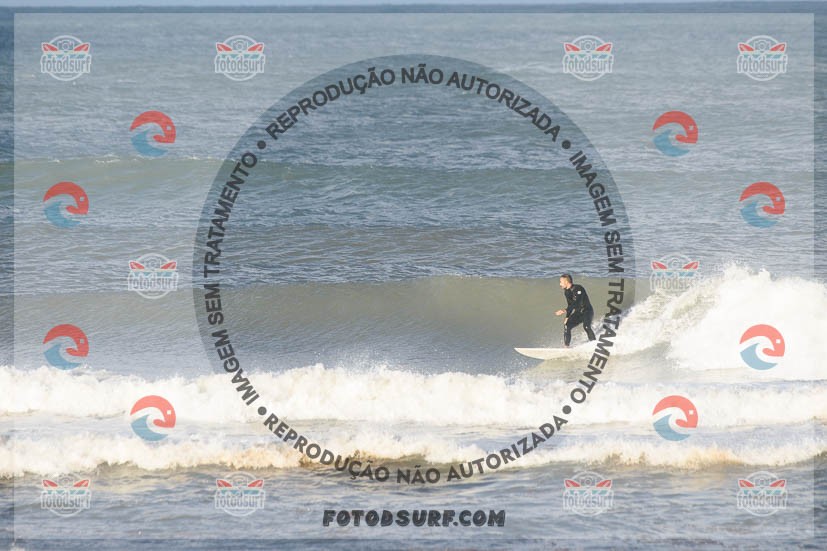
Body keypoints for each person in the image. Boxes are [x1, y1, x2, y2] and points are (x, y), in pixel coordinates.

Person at [554, 274, 596, 347]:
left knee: (586, 327)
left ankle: (594, 344)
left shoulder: (578, 288)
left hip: (587, 311)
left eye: (561, 282)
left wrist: (564, 310)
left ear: (566, 282)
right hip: (578, 313)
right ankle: (566, 347)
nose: (560, 284)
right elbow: (570, 305)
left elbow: (577, 302)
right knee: (567, 326)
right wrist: (567, 317)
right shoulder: (566, 292)